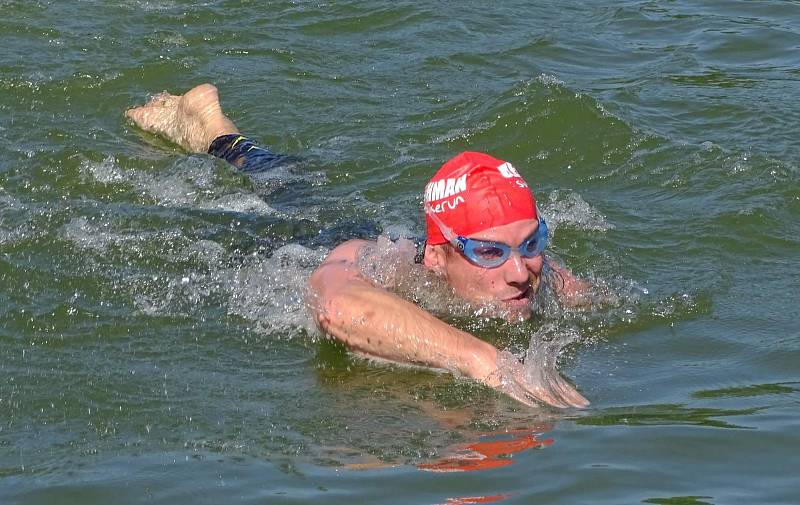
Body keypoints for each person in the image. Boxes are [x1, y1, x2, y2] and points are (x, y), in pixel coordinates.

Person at [125, 83, 589, 409]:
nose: (518, 272)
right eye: (489, 253)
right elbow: (341, 310)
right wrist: (483, 359)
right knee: (274, 182)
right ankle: (212, 129)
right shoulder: (380, 266)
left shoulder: (535, 271)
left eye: (531, 243)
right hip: (297, 240)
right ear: (436, 257)